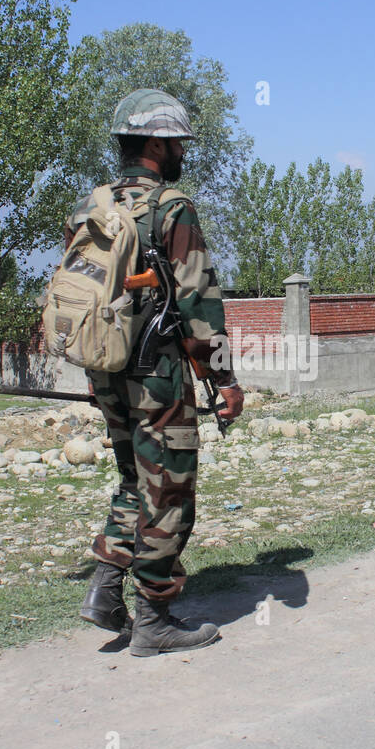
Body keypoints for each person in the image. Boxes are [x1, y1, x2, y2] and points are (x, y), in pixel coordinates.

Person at [70, 89, 244, 656]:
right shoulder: (172, 208)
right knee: (169, 489)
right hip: (158, 376)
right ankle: (154, 618)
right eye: (175, 142)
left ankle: (104, 589)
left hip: (105, 370)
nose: (180, 152)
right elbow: (199, 305)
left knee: (132, 478)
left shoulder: (91, 207)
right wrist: (224, 381)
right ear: (153, 142)